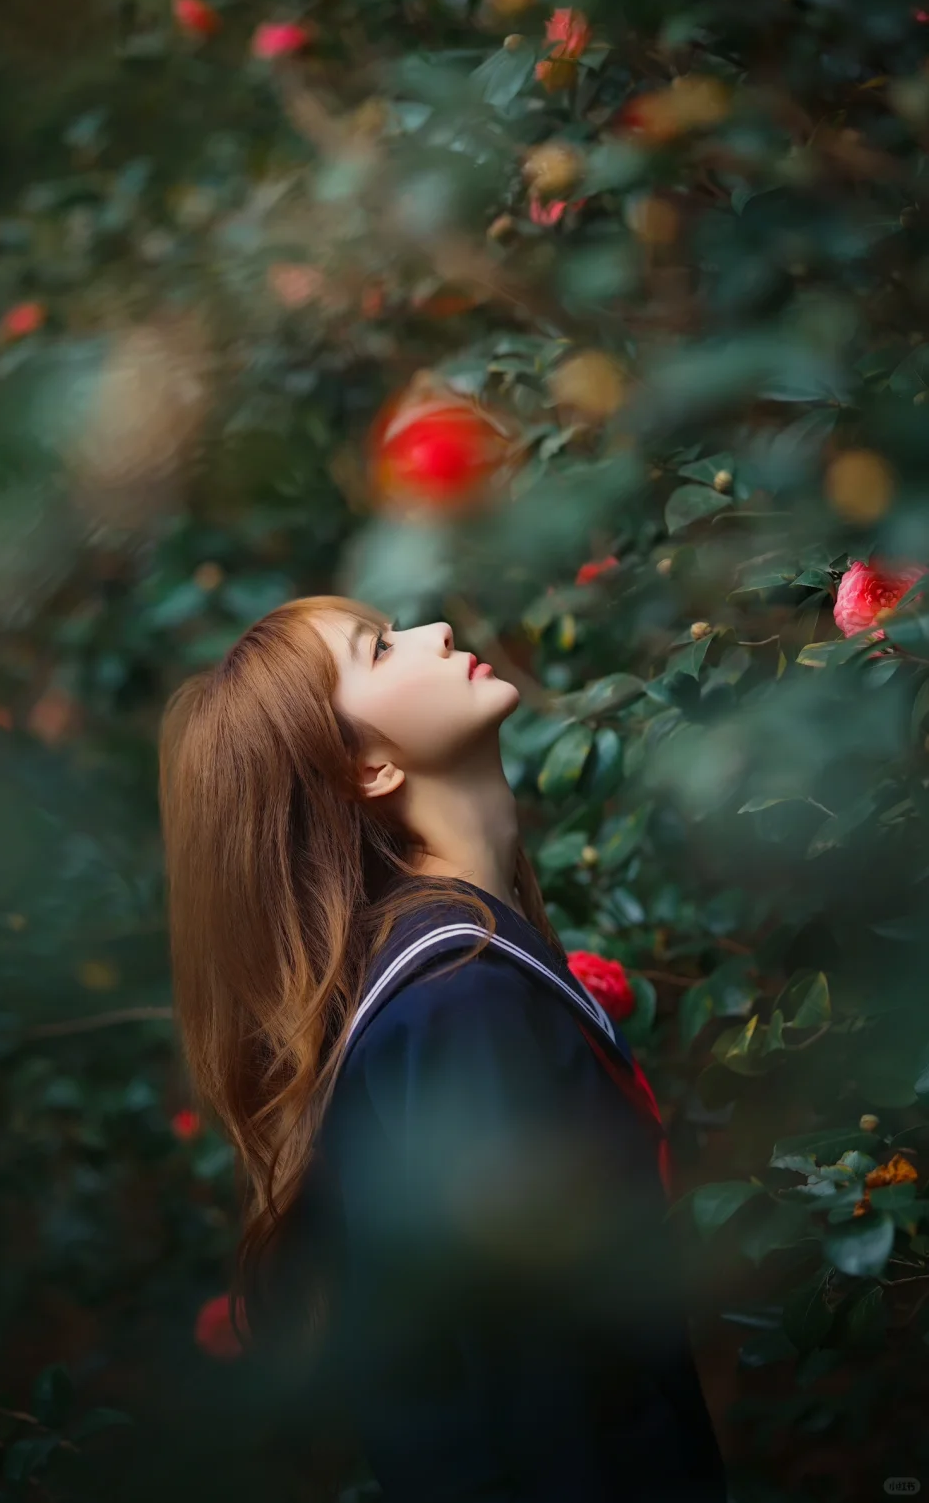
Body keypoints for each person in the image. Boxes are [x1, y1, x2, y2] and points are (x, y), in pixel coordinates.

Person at [158, 594, 729, 1502]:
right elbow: (543, 1391)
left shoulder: (465, 971)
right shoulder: (458, 1001)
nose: (437, 633)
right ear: (365, 764)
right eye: (380, 648)